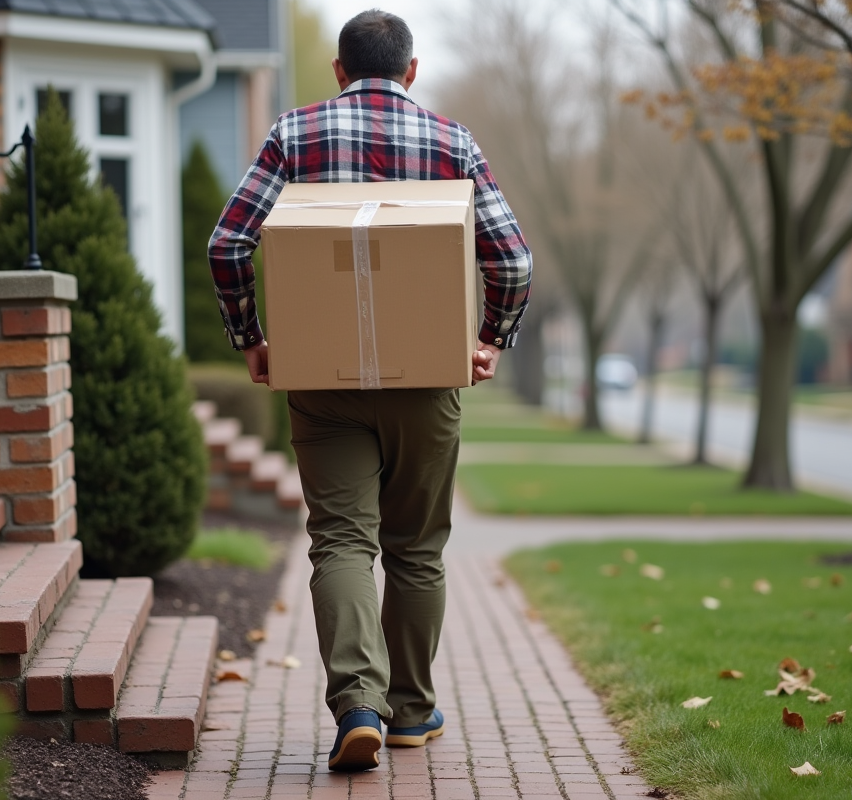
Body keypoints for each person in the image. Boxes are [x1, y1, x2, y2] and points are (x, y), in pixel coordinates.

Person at [207, 9, 532, 772]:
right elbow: (512, 262)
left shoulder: (293, 134)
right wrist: (490, 340)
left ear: (340, 71)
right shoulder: (454, 143)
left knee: (342, 541)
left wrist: (250, 337)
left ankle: (359, 704)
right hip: (426, 380)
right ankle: (413, 713)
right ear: (412, 71)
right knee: (416, 546)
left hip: (322, 378)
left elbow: (229, 243)